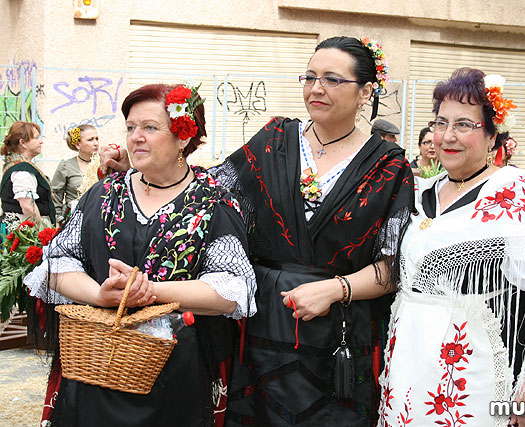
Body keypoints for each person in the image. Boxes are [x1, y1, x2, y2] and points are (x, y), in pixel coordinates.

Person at [101, 36, 414, 426]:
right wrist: (138, 169)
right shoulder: (275, 140)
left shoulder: (388, 166)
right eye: (310, 76)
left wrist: (336, 289)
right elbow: (208, 192)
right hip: (263, 324)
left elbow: (391, 266)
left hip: (340, 332)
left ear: (366, 91)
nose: (316, 88)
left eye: (333, 79)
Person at [24, 83, 257, 427]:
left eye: (150, 127)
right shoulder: (104, 194)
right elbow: (56, 265)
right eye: (131, 127)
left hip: (174, 379)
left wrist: (151, 291)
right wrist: (99, 294)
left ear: (183, 136)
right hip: (95, 368)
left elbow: (231, 290)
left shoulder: (213, 202)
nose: (136, 138)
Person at [377, 68, 525, 427]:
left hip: (470, 368)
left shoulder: (510, 191)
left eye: (464, 125)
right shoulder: (422, 191)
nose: (447, 136)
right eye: (440, 123)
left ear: (491, 137)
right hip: (408, 361)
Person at [1, 121, 55, 230]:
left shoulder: (20, 165)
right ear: (23, 143)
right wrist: (40, 233)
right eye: (36, 138)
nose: (41, 142)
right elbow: (28, 207)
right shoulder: (22, 170)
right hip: (24, 231)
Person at [51, 124, 100, 224]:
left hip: (97, 218)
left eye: (97, 139)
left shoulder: (103, 164)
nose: (96, 143)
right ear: (78, 144)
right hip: (72, 219)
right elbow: (56, 195)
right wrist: (58, 220)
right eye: (90, 140)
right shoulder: (66, 166)